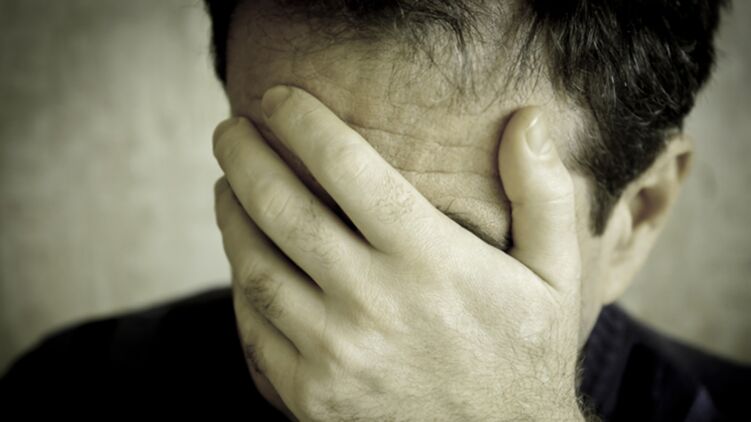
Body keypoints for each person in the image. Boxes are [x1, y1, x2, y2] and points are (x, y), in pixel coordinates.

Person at [1, 0, 748, 420]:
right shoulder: (69, 394)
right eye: (290, 216)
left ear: (637, 217)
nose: (344, 353)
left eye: (453, 252)